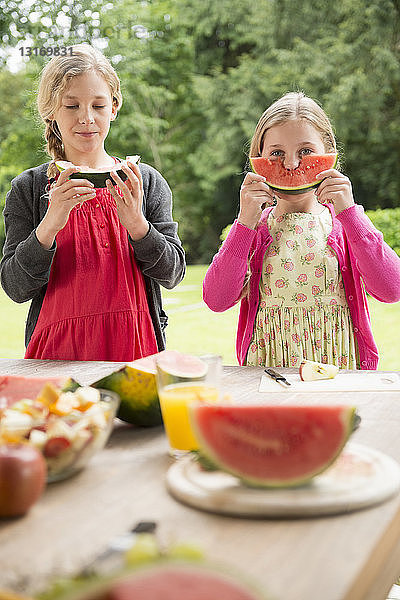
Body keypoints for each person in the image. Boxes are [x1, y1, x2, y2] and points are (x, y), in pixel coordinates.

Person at [0, 43, 185, 361]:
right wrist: (49, 225)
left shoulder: (145, 181)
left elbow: (173, 273)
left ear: (114, 107)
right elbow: (15, 288)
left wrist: (138, 226)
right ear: (51, 111)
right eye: (71, 106)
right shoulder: (28, 189)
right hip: (55, 355)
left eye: (98, 106)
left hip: (136, 347)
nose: (86, 118)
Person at [203, 92, 400, 369]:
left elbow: (392, 289)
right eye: (276, 154)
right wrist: (244, 221)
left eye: (306, 151)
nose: (292, 164)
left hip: (338, 372)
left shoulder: (345, 226)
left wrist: (351, 213)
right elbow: (216, 299)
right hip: (269, 372)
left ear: (328, 152)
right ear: (258, 160)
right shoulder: (254, 230)